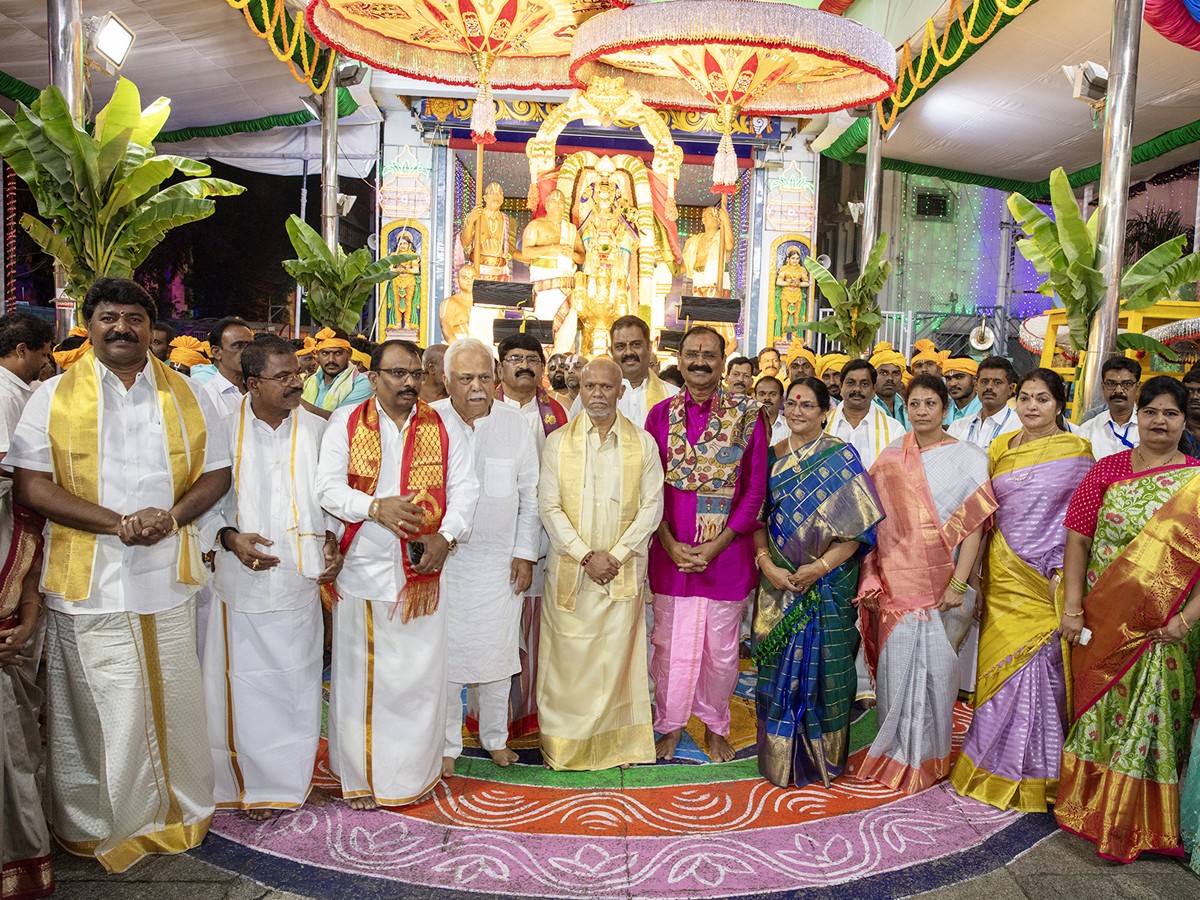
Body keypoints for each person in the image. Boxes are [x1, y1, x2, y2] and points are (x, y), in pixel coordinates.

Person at [8, 277, 231, 872]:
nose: (121, 328)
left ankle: (178, 813)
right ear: (89, 324)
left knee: (177, 704)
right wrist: (118, 523)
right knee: (103, 709)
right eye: (109, 317)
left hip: (168, 576)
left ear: (151, 328)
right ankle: (103, 826)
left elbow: (217, 473)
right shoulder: (51, 396)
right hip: (92, 579)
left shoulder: (187, 392)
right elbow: (32, 485)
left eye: (133, 318)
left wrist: (171, 517)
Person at [316, 340, 478, 809]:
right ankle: (363, 776)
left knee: (419, 680)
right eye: (397, 373)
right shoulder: (347, 422)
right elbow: (326, 487)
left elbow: (465, 490)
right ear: (374, 377)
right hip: (364, 567)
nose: (408, 382)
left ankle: (413, 773)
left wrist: (446, 539)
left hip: (424, 572)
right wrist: (373, 507)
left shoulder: (443, 425)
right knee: (364, 679)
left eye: (415, 373)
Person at [1056, 376, 1200, 862]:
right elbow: (1077, 539)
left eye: (1170, 413)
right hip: (1103, 615)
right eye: (1151, 411)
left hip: (1169, 626)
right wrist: (1073, 609)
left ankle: (1143, 822)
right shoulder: (1106, 470)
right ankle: (1091, 805)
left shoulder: (1197, 479)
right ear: (1137, 416)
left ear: (1184, 421)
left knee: (1154, 718)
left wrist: (1186, 619)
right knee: (1101, 713)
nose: (1159, 421)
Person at [201, 336, 341, 820]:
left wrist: (335, 542)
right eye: (283, 377)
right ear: (252, 383)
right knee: (245, 685)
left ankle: (290, 782)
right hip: (241, 581)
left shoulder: (321, 430)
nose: (296, 383)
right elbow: (204, 503)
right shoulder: (220, 429)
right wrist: (227, 536)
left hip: (300, 582)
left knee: (300, 686)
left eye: (297, 373)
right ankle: (250, 782)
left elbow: (336, 496)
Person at [950, 369, 1093, 811]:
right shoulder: (999, 449)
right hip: (1001, 576)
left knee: (1040, 672)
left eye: (1043, 399)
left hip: (1044, 580)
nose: (1032, 407)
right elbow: (982, 515)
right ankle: (988, 763)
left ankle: (1039, 775)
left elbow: (1081, 525)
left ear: (1059, 405)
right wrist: (971, 574)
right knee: (997, 670)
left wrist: (1066, 581)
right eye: (1026, 398)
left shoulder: (1078, 454)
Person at [855, 374, 996, 793]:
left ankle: (929, 757)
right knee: (897, 674)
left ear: (944, 409)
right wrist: (873, 576)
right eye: (914, 404)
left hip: (944, 584)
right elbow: (873, 525)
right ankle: (896, 754)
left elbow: (976, 529)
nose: (921, 412)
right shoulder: (890, 458)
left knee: (939, 674)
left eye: (929, 404)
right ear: (906, 408)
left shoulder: (968, 458)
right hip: (897, 584)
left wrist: (958, 582)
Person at [753, 377, 883, 788]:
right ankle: (778, 758)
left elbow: (858, 533)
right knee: (777, 671)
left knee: (829, 670)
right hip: (779, 579)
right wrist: (767, 566)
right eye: (791, 403)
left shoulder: (842, 457)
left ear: (825, 411)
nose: (795, 411)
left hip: (828, 583)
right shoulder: (770, 457)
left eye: (807, 405)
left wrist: (818, 569)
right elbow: (756, 520)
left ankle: (822, 759)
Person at [646, 326, 767, 762]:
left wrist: (716, 546)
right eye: (692, 354)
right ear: (678, 360)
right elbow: (648, 488)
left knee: (721, 652)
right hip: (670, 554)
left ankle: (716, 724)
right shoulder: (659, 415)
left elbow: (755, 490)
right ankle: (670, 724)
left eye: (709, 355)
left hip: (726, 558)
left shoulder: (749, 415)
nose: (700, 361)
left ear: (723, 361)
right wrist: (669, 541)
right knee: (667, 648)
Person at [538, 358, 663, 770]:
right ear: (580, 389)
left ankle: (618, 745)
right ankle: (567, 746)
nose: (596, 394)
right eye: (588, 386)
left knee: (617, 661)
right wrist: (586, 556)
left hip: (620, 572)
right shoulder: (558, 442)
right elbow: (549, 507)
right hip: (574, 571)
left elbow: (651, 508)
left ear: (620, 392)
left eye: (605, 387)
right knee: (569, 662)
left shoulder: (642, 443)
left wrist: (618, 555)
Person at [433, 339, 539, 775]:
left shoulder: (515, 425)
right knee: (444, 657)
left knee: (498, 657)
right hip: (444, 565)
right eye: (465, 378)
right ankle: (445, 745)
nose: (477, 387)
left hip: (499, 565)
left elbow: (531, 496)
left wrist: (525, 553)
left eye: (483, 377)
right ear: (445, 381)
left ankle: (496, 738)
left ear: (495, 376)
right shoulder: (429, 421)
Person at [0, 311, 54, 899]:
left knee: (14, 745)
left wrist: (29, 608)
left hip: (12, 598)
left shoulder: (24, 397)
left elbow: (21, 512)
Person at [494, 334, 568, 737]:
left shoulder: (557, 413)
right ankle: (491, 717)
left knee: (536, 631)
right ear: (500, 367)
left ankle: (528, 714)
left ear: (542, 367)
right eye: (515, 358)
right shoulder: (482, 408)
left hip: (540, 540)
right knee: (492, 627)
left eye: (531, 359)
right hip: (488, 540)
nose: (524, 366)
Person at [824, 360, 904, 470]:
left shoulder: (894, 430)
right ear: (841, 387)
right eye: (850, 383)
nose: (857, 389)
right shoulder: (822, 424)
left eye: (864, 384)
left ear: (874, 390)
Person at [948, 356, 1018, 449]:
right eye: (984, 381)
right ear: (976, 385)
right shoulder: (958, 426)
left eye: (997, 382)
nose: (989, 387)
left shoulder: (1018, 427)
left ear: (1010, 389)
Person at [1078, 356, 1141, 459]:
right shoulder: (1087, 431)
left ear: (1137, 387)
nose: (1118, 390)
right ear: (1103, 387)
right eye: (1111, 384)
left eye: (1127, 384)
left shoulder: (1150, 427)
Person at [301, 327, 374, 414]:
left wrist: (299, 404)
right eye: (325, 353)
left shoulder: (363, 383)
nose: (331, 359)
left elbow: (343, 419)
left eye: (338, 353)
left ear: (349, 354)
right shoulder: (309, 382)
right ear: (317, 356)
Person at [462, 182, 513, 282]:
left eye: (499, 193)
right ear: (485, 198)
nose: (496, 196)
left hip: (500, 272)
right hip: (479, 270)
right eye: (492, 193)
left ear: (503, 199)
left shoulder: (508, 221)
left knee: (498, 297)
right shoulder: (476, 216)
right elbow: (465, 243)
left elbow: (511, 252)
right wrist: (470, 221)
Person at [203, 317, 254, 418]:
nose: (247, 352)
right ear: (216, 352)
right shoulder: (206, 397)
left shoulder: (260, 389)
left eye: (250, 345)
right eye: (238, 345)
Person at [870, 342, 909, 429]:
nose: (890, 378)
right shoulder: (864, 405)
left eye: (896, 373)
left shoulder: (907, 405)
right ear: (872, 376)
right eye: (883, 373)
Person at [440, 265, 475, 344]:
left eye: (472, 277)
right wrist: (457, 348)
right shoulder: (450, 302)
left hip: (481, 347)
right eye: (465, 277)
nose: (469, 281)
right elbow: (446, 325)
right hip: (456, 346)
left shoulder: (485, 304)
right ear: (457, 281)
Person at [943, 357, 982, 425]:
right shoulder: (941, 406)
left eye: (959, 377)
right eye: (948, 379)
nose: (952, 383)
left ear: (974, 380)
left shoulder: (985, 409)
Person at [755, 375, 788, 445]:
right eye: (762, 394)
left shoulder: (789, 427)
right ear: (755, 398)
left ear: (781, 399)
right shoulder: (745, 427)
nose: (767, 398)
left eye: (773, 394)